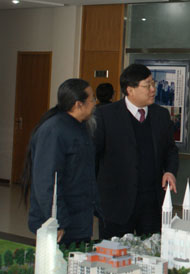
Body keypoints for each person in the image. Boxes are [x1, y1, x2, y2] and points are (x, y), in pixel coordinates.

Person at [93, 63, 179, 239]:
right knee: (114, 252)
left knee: (151, 250)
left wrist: (170, 171)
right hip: (116, 204)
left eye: (153, 84)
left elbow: (170, 150)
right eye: (147, 86)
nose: (153, 89)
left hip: (151, 204)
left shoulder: (161, 115)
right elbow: (93, 158)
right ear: (130, 90)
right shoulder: (105, 116)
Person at [22, 78, 98, 246]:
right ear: (78, 104)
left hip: (78, 220)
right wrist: (58, 221)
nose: (95, 103)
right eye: (92, 99)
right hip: (59, 224)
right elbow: (46, 182)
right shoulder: (54, 130)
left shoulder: (80, 127)